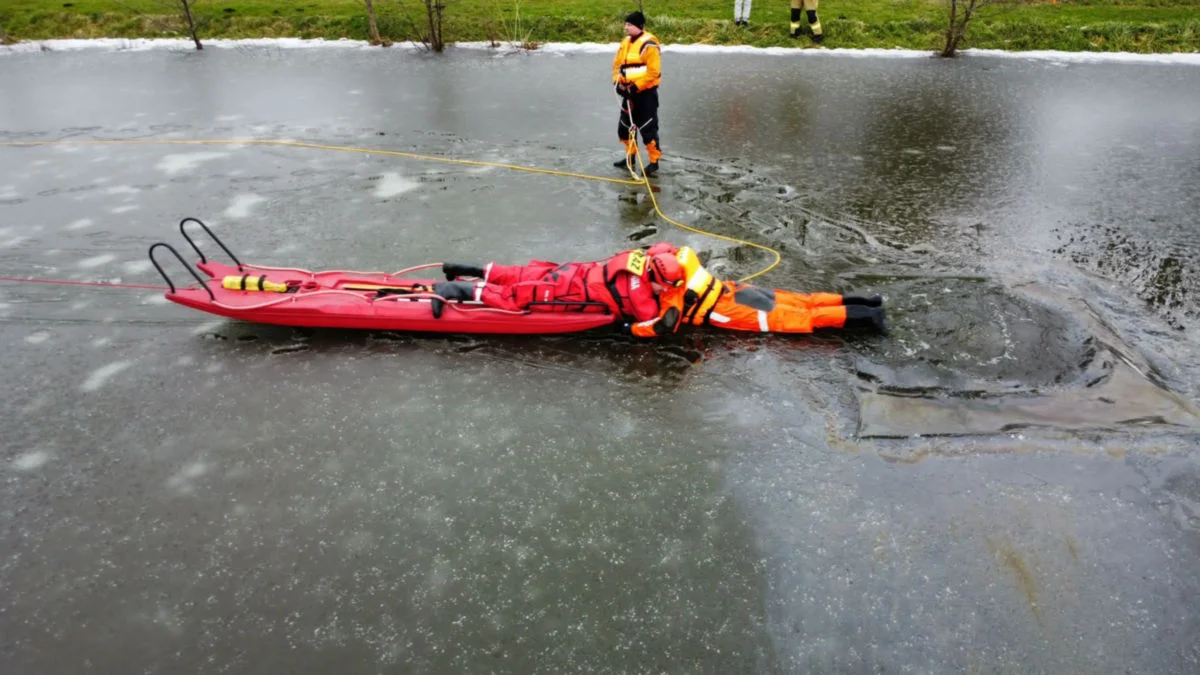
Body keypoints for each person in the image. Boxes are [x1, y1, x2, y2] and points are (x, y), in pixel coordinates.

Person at [626, 245, 886, 338]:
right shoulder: (684, 256)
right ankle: (869, 302)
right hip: (738, 291)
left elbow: (665, 326)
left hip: (736, 310)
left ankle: (870, 317)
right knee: (805, 302)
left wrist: (633, 328)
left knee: (804, 318)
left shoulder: (674, 295)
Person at [431, 248, 684, 321]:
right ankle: (455, 290)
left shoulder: (640, 257)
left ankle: (466, 269)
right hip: (570, 293)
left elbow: (663, 248)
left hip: (571, 272)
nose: (666, 291)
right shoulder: (640, 294)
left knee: (519, 275)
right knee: (515, 298)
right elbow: (654, 319)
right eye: (665, 286)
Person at [612, 11, 663, 176]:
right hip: (628, 94)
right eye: (625, 24)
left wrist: (636, 87)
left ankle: (654, 162)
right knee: (625, 127)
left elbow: (653, 72)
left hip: (645, 94)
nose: (625, 28)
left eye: (629, 25)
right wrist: (617, 83)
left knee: (648, 128)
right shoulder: (625, 43)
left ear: (639, 26)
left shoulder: (649, 45)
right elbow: (617, 65)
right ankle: (630, 157)